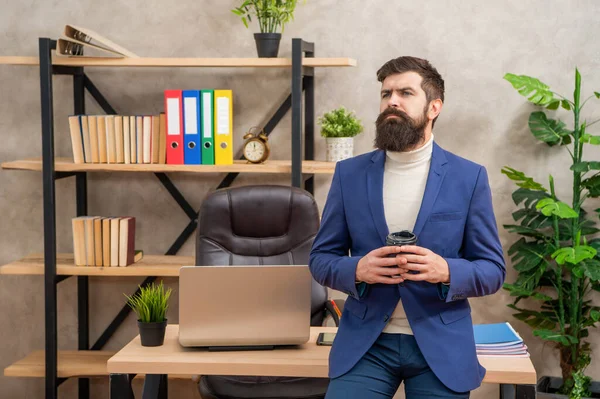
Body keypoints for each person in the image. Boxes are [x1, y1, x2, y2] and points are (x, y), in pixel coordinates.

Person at [309, 56, 506, 399]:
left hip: (440, 344)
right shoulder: (349, 175)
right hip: (367, 344)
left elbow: (492, 270)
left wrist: (446, 270)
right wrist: (358, 268)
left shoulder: (468, 177)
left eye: (404, 93)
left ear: (434, 107)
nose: (392, 102)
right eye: (386, 94)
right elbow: (321, 258)